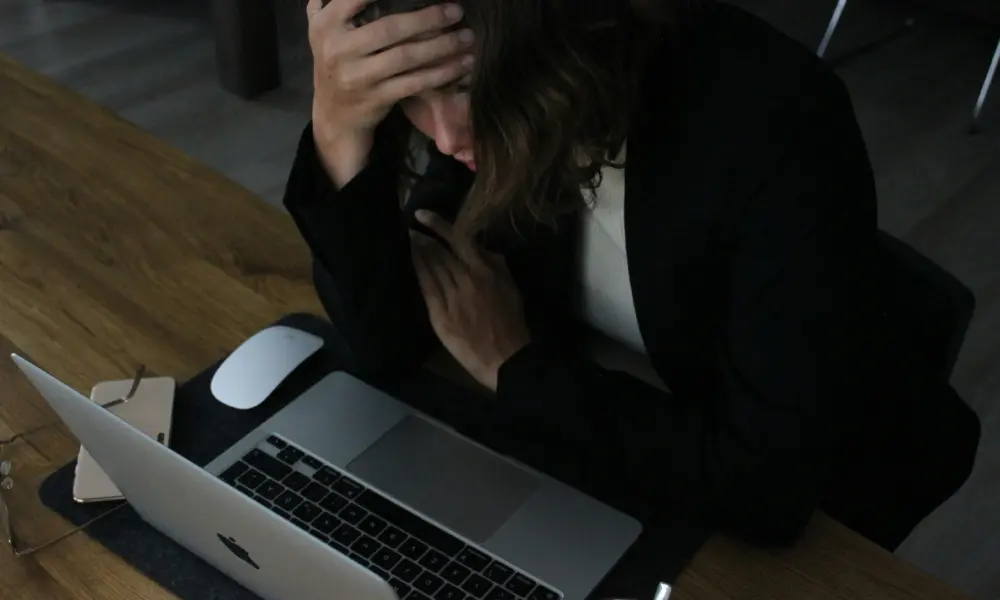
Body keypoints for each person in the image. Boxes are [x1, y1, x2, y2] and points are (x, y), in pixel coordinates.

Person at [284, 0, 980, 552]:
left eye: (464, 88)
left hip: (815, 497)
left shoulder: (776, 123)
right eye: (408, 98)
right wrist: (338, 127)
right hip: (621, 441)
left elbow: (765, 489)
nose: (445, 138)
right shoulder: (485, 101)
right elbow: (390, 339)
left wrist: (515, 366)